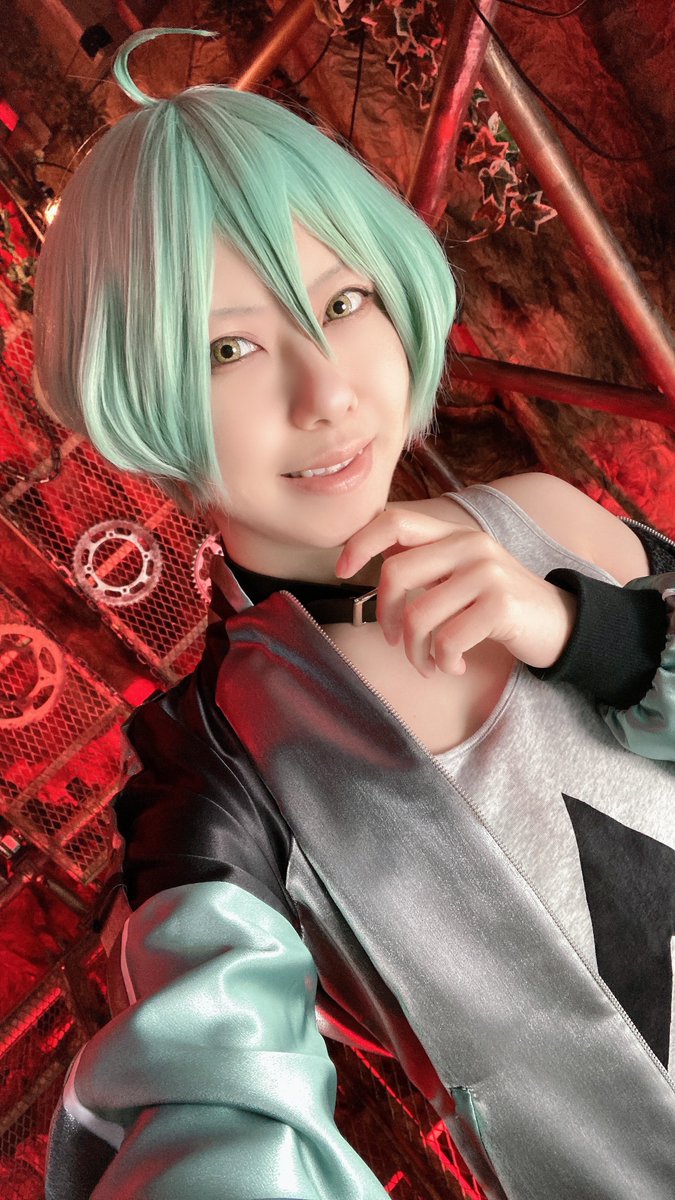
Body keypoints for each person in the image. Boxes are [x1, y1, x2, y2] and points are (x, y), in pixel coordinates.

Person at [34, 27, 675, 1200]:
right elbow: (217, 1105)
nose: (325, 392)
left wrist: (594, 637)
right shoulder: (215, 769)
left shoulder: (552, 521)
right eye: (229, 347)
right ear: (135, 389)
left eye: (343, 299)